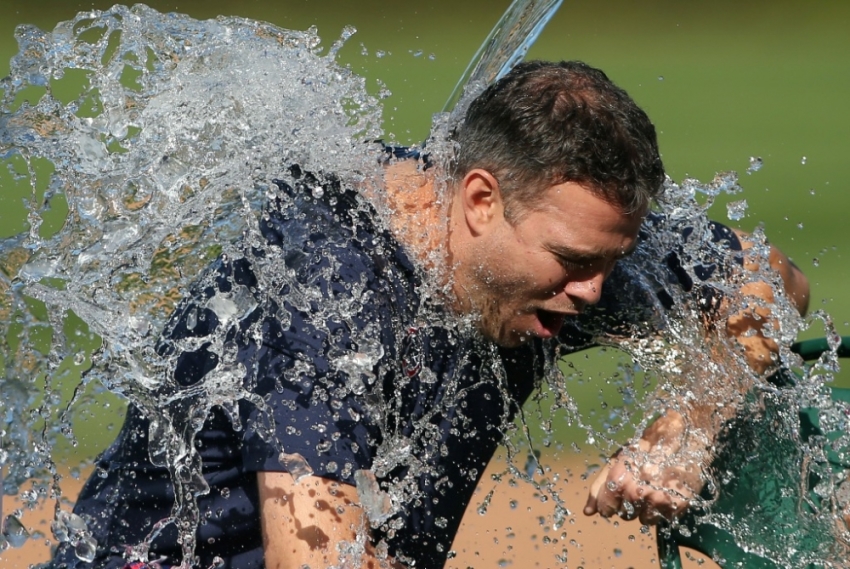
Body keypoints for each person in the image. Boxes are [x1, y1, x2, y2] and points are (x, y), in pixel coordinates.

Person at [50, 60, 809, 569]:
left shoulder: (554, 260)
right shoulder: (325, 282)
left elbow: (770, 282)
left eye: (611, 261)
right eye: (577, 262)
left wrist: (688, 426)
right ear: (481, 200)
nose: (596, 294)